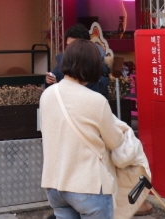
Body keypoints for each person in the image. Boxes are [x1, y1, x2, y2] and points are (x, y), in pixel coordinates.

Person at [40, 39, 124, 219]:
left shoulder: (47, 95)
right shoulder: (97, 101)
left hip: (54, 185)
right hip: (88, 185)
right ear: (92, 66)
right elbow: (115, 142)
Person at [45, 24, 110, 98]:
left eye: (72, 45)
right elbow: (54, 81)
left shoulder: (96, 66)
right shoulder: (62, 62)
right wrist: (49, 81)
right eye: (68, 45)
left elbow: (100, 95)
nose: (68, 49)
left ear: (84, 46)